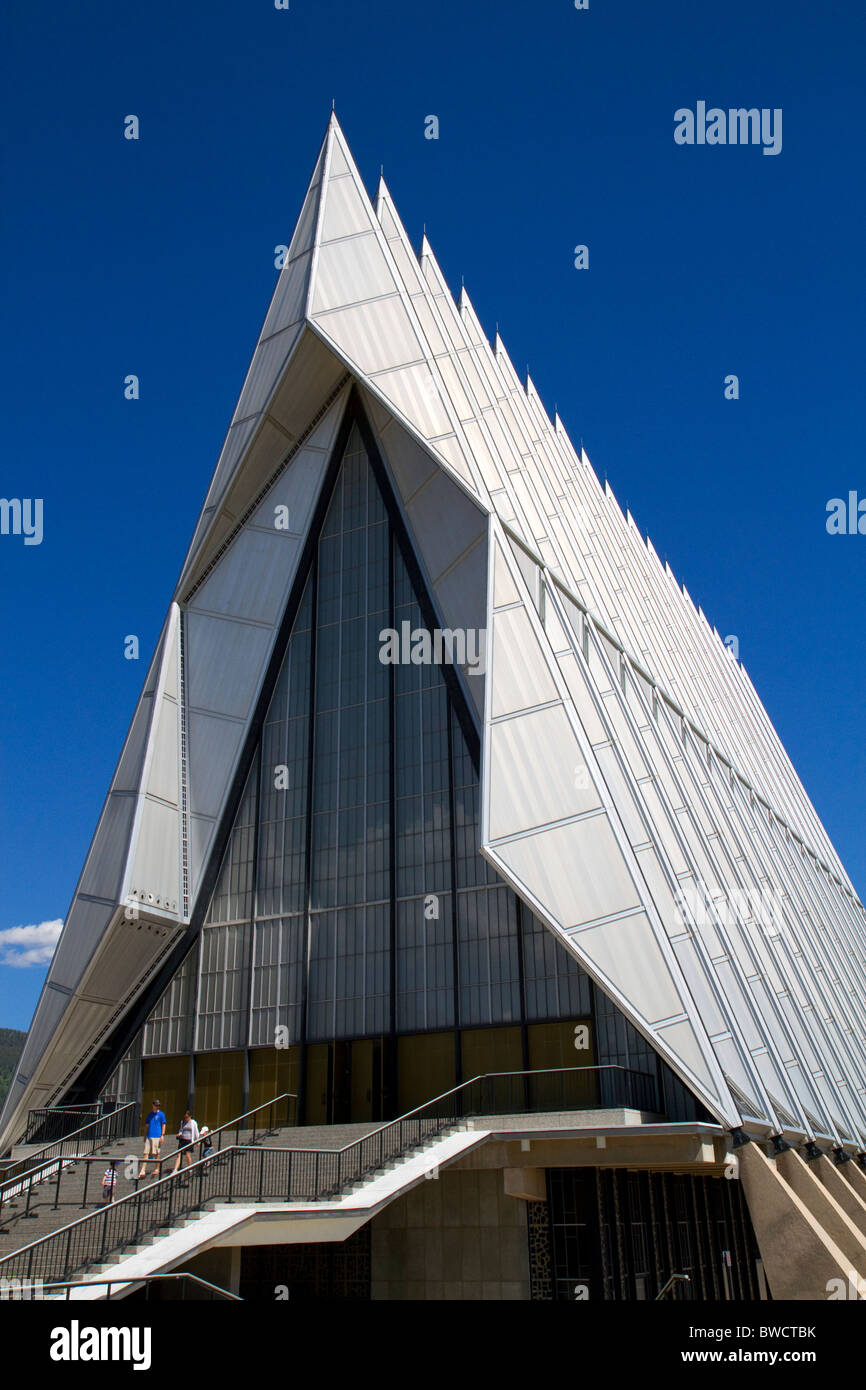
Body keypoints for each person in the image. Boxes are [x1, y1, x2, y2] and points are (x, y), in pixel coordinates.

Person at [138, 1099, 166, 1179]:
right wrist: (144, 1136)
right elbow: (146, 1126)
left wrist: (162, 1135)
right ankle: (143, 1170)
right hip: (149, 1136)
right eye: (156, 1105)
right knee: (146, 1153)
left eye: (158, 1105)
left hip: (157, 1136)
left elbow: (163, 1124)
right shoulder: (150, 1115)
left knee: (156, 1153)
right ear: (153, 1105)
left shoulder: (161, 1114)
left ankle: (157, 1168)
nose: (157, 1107)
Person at [171, 1110, 200, 1175]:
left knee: (188, 1155)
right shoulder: (183, 1122)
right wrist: (179, 1134)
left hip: (189, 1140)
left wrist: (198, 1141)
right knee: (179, 1155)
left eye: (187, 1117)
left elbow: (196, 1132)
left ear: (190, 1116)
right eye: (185, 1117)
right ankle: (175, 1169)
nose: (186, 1118)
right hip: (183, 1140)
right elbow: (181, 1130)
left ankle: (190, 1168)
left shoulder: (193, 1123)